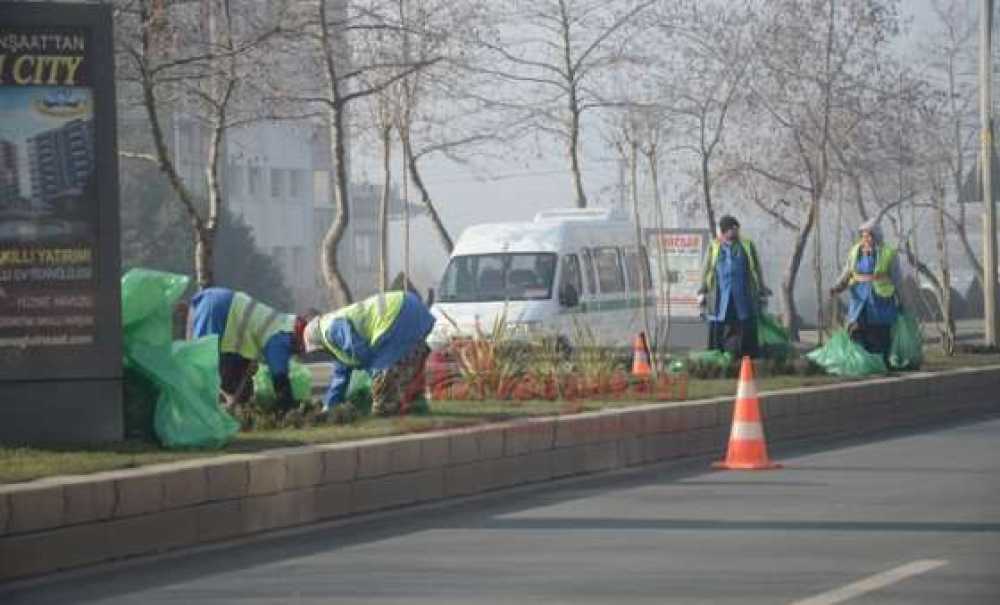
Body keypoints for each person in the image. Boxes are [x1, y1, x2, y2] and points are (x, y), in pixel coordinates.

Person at [303, 290, 436, 416]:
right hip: (412, 306)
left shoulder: (331, 328)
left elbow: (359, 350)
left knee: (383, 393)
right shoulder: (334, 341)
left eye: (319, 351)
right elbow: (340, 377)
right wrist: (329, 406)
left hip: (396, 314)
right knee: (411, 363)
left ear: (318, 341)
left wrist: (375, 376)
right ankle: (415, 403)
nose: (321, 354)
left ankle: (390, 410)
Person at [188, 287, 311, 411]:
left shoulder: (283, 323)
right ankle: (196, 410)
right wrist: (286, 398)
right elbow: (279, 371)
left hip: (223, 312)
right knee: (203, 365)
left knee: (238, 388)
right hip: (219, 309)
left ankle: (222, 409)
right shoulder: (283, 335)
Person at [697, 215, 769, 359]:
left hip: (743, 296)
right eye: (733, 229)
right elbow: (706, 270)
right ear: (724, 231)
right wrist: (702, 291)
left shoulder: (747, 245)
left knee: (745, 327)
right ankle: (719, 359)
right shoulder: (714, 247)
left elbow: (756, 269)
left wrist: (761, 289)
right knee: (719, 327)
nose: (736, 232)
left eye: (737, 229)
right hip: (721, 297)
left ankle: (746, 360)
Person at [830, 219, 901, 361]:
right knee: (856, 328)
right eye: (863, 236)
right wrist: (838, 286)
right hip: (859, 297)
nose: (865, 239)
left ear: (876, 236)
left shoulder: (888, 253)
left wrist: (901, 299)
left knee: (879, 331)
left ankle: (881, 361)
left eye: (868, 236)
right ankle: (861, 361)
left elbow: (897, 278)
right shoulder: (855, 251)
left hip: (880, 298)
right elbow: (848, 271)